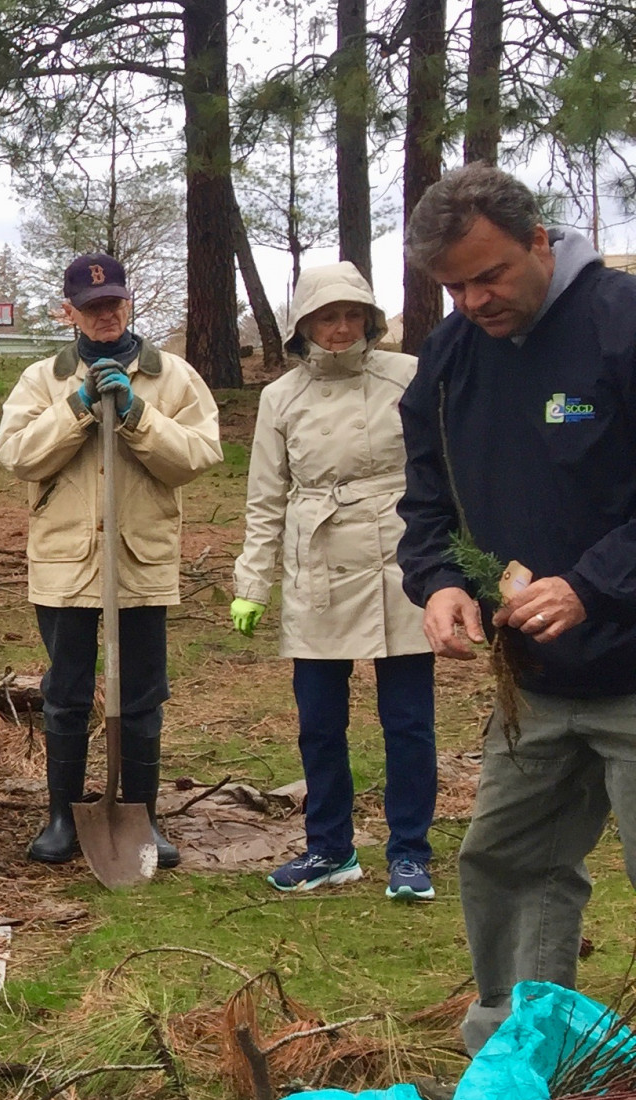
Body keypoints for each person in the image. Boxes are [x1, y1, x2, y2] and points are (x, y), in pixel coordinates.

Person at [392, 162, 636, 1052]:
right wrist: (442, 579)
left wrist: (593, 584)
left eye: (488, 274)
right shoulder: (454, 355)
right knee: (508, 856)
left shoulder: (620, 321)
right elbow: (427, 493)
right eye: (453, 285)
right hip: (530, 677)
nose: (473, 300)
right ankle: (522, 1039)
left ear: (539, 240)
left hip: (631, 663)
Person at [0, 252, 222, 868]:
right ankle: (64, 817)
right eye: (92, 307)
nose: (106, 315)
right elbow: (16, 455)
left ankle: (141, 816)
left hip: (140, 559)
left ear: (129, 303)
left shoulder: (171, 377)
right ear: (68, 311)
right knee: (66, 693)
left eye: (115, 303)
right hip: (67, 561)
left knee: (144, 693)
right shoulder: (43, 379)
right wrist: (76, 408)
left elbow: (198, 456)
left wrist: (138, 415)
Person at [231, 261, 437, 900]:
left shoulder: (407, 376)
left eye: (352, 315)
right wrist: (251, 582)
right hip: (316, 559)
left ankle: (409, 851)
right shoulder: (281, 397)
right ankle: (329, 847)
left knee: (408, 719)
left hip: (399, 554)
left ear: (371, 320)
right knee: (320, 720)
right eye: (328, 316)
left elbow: (445, 469)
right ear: (305, 326)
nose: (341, 327)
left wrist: (453, 561)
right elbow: (267, 495)